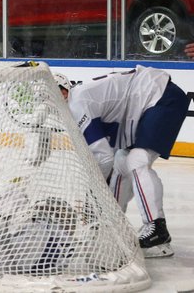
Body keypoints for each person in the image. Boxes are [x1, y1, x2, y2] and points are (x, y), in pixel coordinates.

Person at [57, 65, 189, 258]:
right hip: (143, 104)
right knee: (121, 161)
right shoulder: (79, 100)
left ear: (63, 91)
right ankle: (113, 222)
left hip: (159, 96)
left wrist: (96, 193)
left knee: (137, 160)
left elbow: (102, 157)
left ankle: (157, 230)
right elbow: (108, 154)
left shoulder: (76, 103)